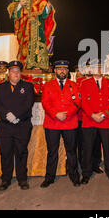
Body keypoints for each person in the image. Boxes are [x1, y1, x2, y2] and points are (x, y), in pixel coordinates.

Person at [0, 61, 35, 190]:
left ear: (20, 73)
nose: (15, 74)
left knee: (21, 152)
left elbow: (28, 104)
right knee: (5, 153)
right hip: (5, 126)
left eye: (18, 71)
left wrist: (16, 116)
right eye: (13, 71)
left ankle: (22, 179)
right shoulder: (1, 87)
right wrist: (7, 115)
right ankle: (5, 179)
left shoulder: (28, 86)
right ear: (8, 73)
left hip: (22, 125)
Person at [7, 0, 57, 70]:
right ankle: (25, 65)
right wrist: (19, 5)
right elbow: (12, 9)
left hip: (38, 24)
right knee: (25, 45)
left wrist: (47, 8)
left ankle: (40, 66)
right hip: (25, 25)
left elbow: (45, 8)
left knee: (39, 44)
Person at [41, 60, 82, 188]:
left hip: (70, 123)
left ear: (68, 71)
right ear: (55, 71)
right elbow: (45, 103)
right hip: (52, 123)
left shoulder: (74, 85)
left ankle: (74, 176)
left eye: (64, 69)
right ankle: (49, 177)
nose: (62, 71)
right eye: (59, 69)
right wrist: (56, 114)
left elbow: (77, 102)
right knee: (52, 151)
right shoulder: (48, 85)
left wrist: (67, 114)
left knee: (71, 151)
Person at [80, 59, 109, 184]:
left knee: (108, 148)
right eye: (96, 67)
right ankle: (86, 173)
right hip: (90, 121)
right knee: (88, 148)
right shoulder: (84, 83)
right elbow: (83, 101)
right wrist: (92, 115)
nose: (98, 69)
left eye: (101, 67)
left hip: (106, 120)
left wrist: (104, 114)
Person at [75, 64, 103, 174]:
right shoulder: (79, 81)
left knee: (97, 142)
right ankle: (83, 164)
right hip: (83, 117)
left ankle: (96, 164)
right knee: (84, 143)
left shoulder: (99, 80)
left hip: (97, 117)